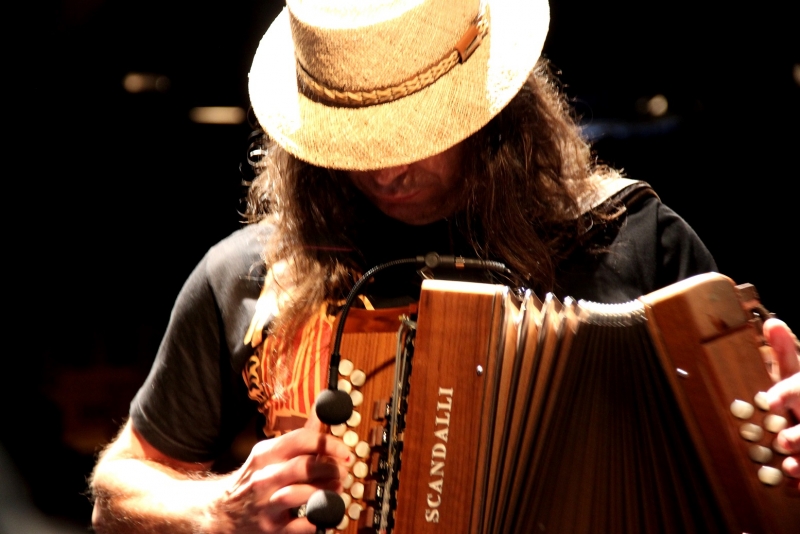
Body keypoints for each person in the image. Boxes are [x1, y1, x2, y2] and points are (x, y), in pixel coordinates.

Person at [89, 0, 800, 532]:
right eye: (359, 138)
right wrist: (215, 510)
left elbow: (759, 491)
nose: (388, 169)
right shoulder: (249, 273)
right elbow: (118, 487)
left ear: (495, 111)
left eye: (415, 129)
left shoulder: (636, 241)